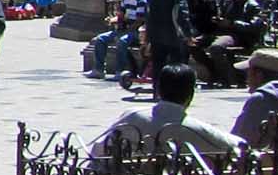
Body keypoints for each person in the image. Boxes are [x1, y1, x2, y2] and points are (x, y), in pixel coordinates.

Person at [90, 63, 243, 159]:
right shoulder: (198, 130)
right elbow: (239, 146)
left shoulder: (132, 116)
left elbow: (98, 149)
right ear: (190, 94)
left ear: (159, 90)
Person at [87, 0, 148, 79]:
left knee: (122, 41)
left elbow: (140, 20)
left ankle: (121, 70)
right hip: (124, 29)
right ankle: (98, 69)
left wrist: (126, 30)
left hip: (137, 32)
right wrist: (113, 20)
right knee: (100, 39)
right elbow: (122, 15)